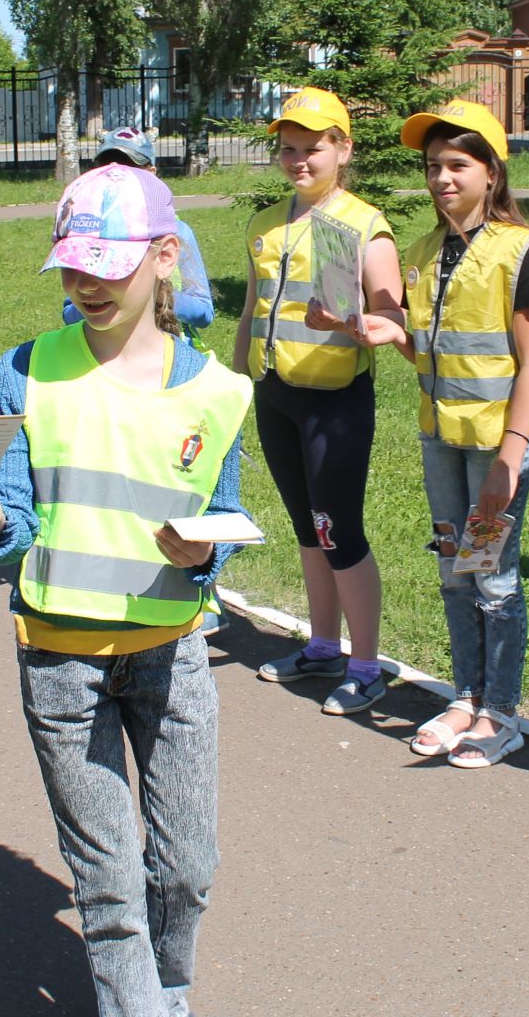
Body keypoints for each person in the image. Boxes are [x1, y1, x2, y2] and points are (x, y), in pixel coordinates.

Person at [0, 161, 252, 1017]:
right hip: (60, 660)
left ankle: (170, 989)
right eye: (72, 265)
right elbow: (12, 517)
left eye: (106, 265)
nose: (85, 284)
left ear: (163, 257)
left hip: (173, 654)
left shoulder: (222, 393)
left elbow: (224, 515)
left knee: (187, 869)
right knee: (109, 883)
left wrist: (204, 558)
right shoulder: (28, 370)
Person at [347, 99, 529, 768]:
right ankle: (466, 696)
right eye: (433, 166)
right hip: (440, 440)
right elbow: (431, 349)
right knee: (453, 566)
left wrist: (510, 457)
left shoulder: (519, 251)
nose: (442, 178)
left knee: (492, 572)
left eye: (457, 165)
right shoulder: (422, 253)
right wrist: (387, 332)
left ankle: (501, 711)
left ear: (491, 173)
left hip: (500, 449)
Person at [238, 88, 404, 714]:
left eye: (313, 148)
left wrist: (352, 322)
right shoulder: (265, 223)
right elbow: (253, 310)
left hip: (334, 400)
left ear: (343, 149)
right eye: (288, 149)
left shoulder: (364, 225)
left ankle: (366, 665)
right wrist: (236, 383)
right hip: (275, 393)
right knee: (308, 530)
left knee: (341, 532)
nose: (298, 160)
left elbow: (393, 322)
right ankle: (323, 647)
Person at [61, 126, 213, 333]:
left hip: (169, 349)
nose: (116, 174)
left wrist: (154, 296)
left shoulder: (177, 231)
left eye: (129, 166)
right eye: (106, 165)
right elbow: (69, 312)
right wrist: (101, 301)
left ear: (151, 173)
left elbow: (204, 312)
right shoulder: (85, 229)